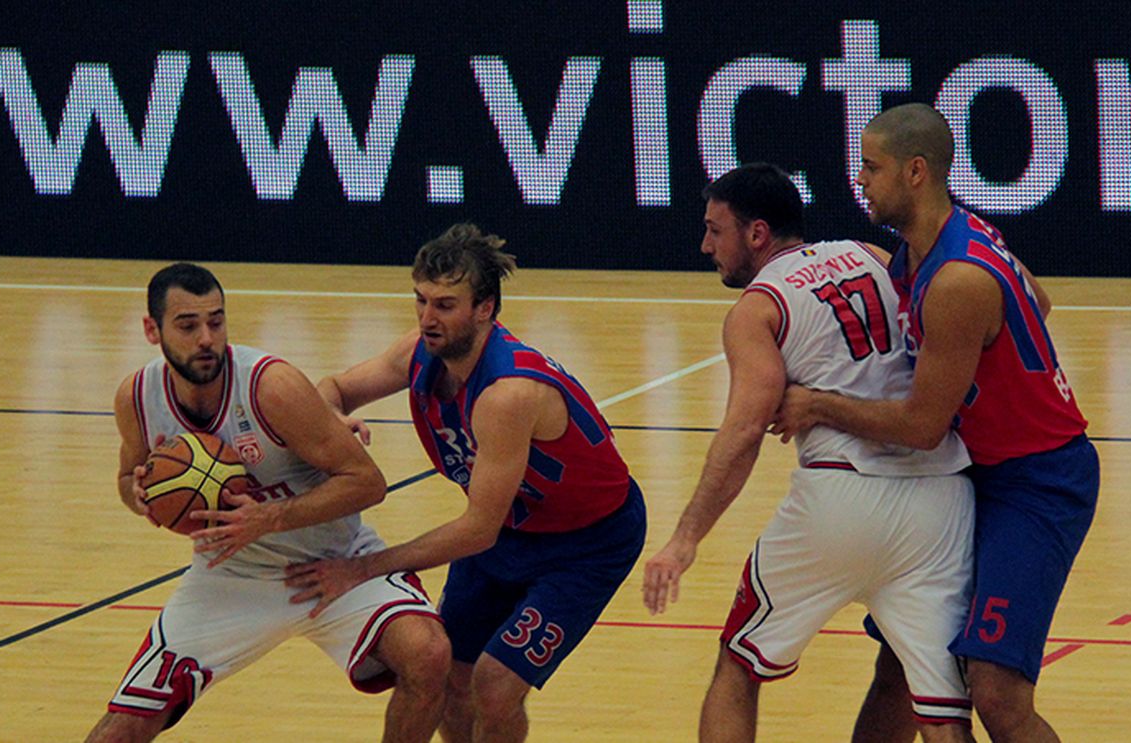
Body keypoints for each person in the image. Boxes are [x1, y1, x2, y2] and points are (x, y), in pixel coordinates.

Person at [772, 103, 1100, 743]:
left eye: (872, 166)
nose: (859, 179)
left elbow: (922, 426)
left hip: (1036, 481)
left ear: (916, 172)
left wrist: (817, 405)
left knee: (998, 694)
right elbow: (1040, 299)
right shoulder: (943, 244)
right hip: (978, 472)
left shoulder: (954, 280)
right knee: (902, 657)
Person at [642, 162, 976, 743]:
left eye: (714, 230)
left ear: (756, 234)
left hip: (840, 496)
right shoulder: (873, 255)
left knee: (739, 664)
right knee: (936, 704)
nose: (705, 245)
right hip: (942, 496)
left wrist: (685, 538)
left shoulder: (758, 307)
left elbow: (745, 430)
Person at [293, 223, 647, 743]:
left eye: (445, 305)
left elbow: (477, 530)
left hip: (586, 544)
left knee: (496, 685)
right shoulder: (419, 351)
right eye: (421, 300)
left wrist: (363, 569)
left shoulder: (508, 394)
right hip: (510, 528)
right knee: (451, 679)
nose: (427, 318)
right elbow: (335, 388)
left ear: (484, 308)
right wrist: (330, 419)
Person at [86, 262, 450, 743]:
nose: (206, 339)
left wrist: (269, 517)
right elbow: (125, 479)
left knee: (429, 655)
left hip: (335, 564)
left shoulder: (270, 387)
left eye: (216, 321)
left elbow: (366, 483)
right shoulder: (136, 397)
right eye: (188, 325)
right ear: (152, 330)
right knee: (122, 729)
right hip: (232, 574)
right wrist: (138, 496)